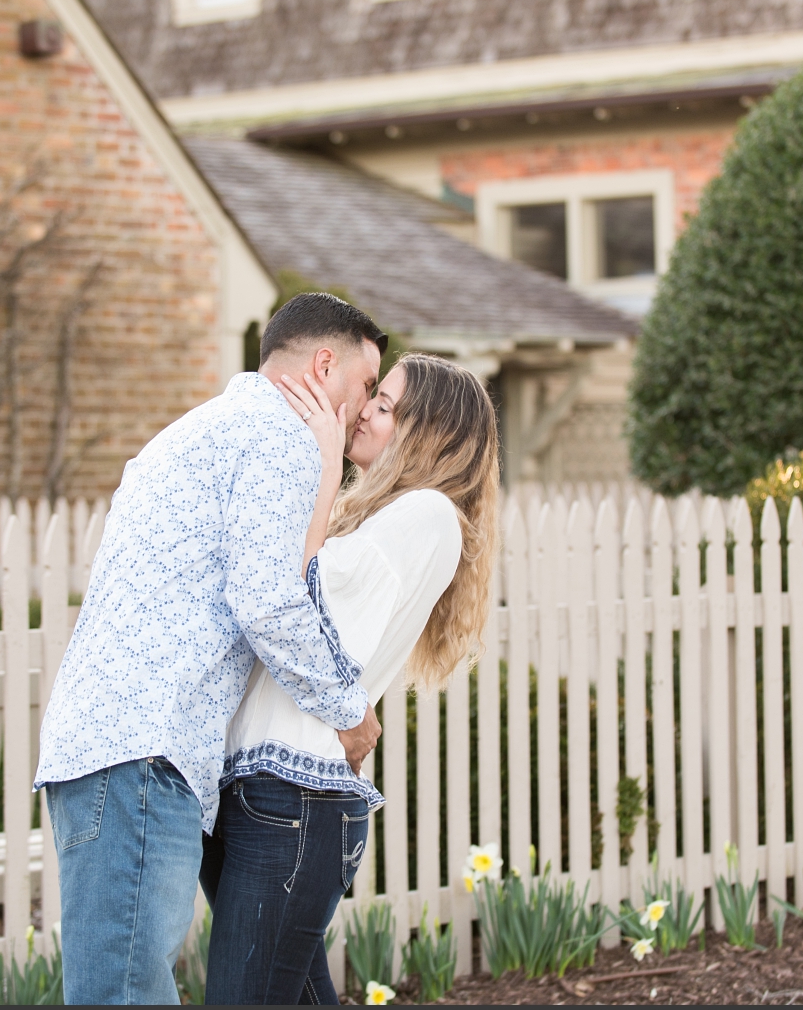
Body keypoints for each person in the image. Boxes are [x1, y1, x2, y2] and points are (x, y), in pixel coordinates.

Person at [34, 293, 391, 1005]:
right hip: (141, 753)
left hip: (117, 749)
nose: (365, 407)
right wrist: (351, 711)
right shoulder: (278, 435)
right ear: (325, 365)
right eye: (368, 387)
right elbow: (266, 597)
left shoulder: (214, 427)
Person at [201, 352, 501, 1005]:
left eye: (387, 405)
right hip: (261, 792)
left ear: (432, 434)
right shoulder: (380, 514)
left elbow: (304, 601)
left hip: (293, 801)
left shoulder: (428, 513)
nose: (364, 409)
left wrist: (323, 458)